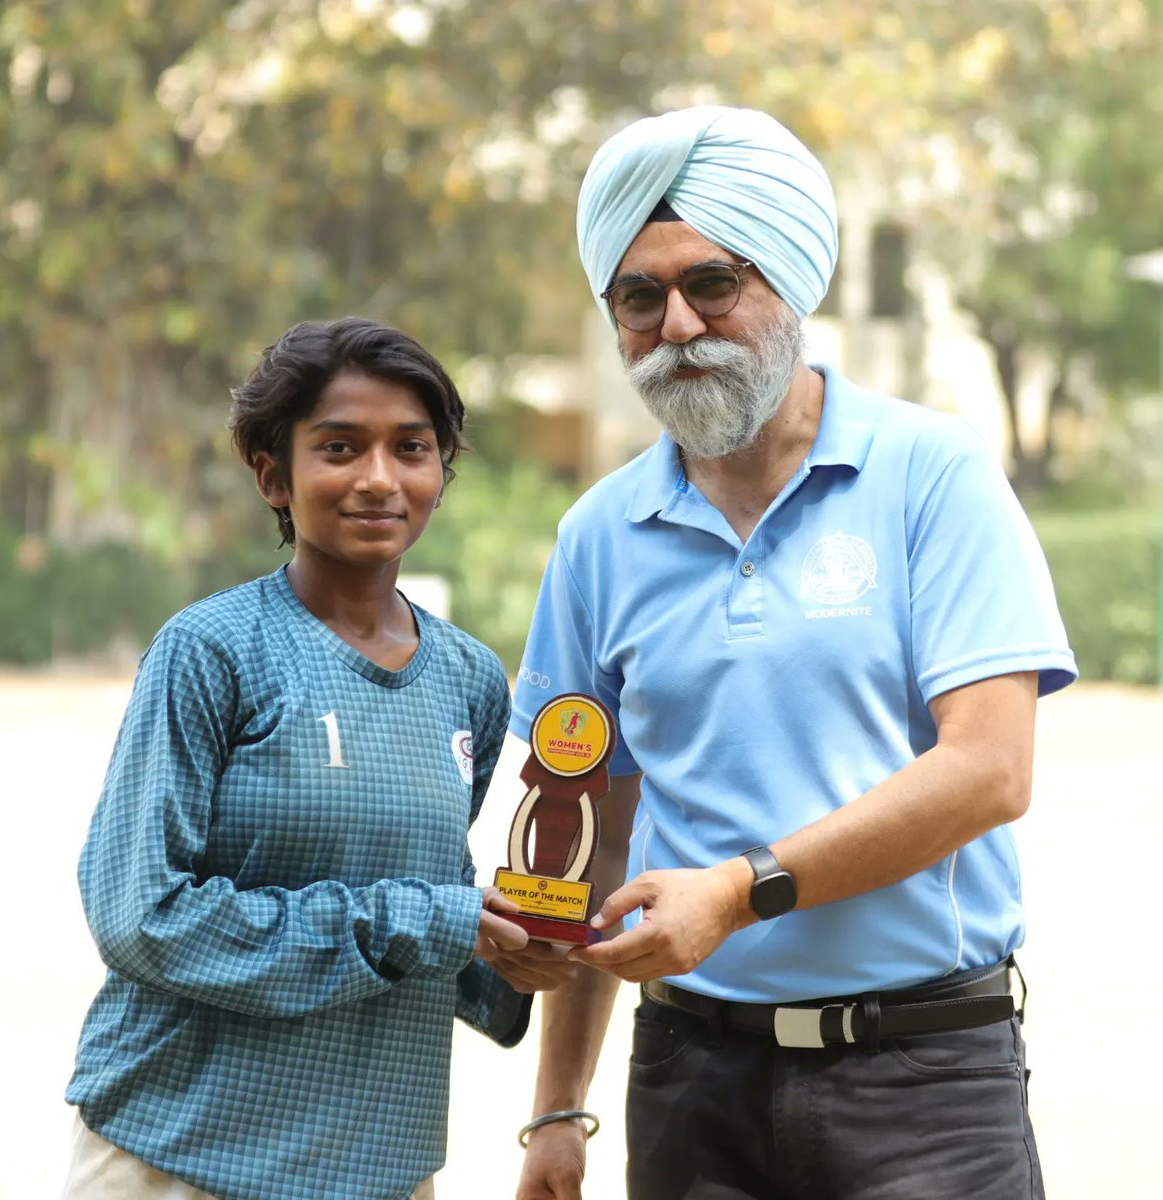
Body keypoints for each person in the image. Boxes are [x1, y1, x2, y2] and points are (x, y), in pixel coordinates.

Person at [511, 107, 1076, 1200]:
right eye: (639, 297)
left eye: (712, 284)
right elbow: (589, 832)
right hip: (688, 1083)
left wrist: (738, 892)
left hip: (923, 1083)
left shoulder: (931, 476)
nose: (678, 325)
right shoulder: (597, 537)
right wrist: (555, 1107)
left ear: (792, 286)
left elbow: (989, 771)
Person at [62, 317, 571, 1200]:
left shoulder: (471, 681)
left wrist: (513, 956)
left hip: (380, 1166)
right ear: (274, 474)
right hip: (179, 1155)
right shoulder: (211, 652)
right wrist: (419, 920)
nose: (379, 478)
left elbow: (430, 890)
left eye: (412, 448)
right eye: (339, 447)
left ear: (440, 476)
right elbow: (139, 915)